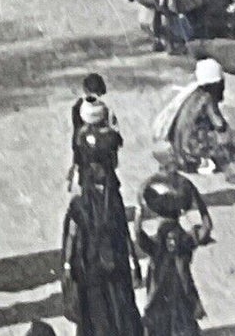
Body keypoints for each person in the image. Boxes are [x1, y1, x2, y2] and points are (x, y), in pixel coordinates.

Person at [61, 135, 142, 336]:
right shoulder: (87, 205)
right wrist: (68, 267)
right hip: (98, 271)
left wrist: (68, 267)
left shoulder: (86, 204)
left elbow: (122, 232)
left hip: (102, 270)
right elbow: (72, 237)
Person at [156, 59, 234, 174]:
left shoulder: (193, 95)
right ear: (215, 84)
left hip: (178, 149)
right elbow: (219, 124)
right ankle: (200, 160)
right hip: (191, 154)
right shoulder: (207, 99)